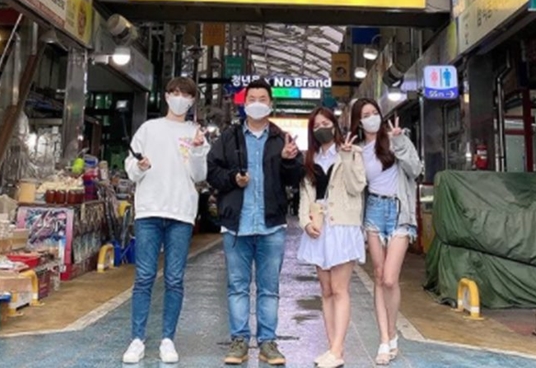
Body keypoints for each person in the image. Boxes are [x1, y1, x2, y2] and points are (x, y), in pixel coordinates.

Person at [207, 79, 304, 366]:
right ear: (244, 103)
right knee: (237, 286)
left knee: (269, 288)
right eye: (252, 98)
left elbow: (294, 179)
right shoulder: (229, 137)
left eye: (263, 98)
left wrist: (289, 161)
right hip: (236, 225)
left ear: (270, 104)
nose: (258, 103)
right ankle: (239, 340)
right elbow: (212, 172)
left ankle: (268, 342)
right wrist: (232, 179)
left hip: (271, 225)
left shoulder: (281, 139)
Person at [122, 77, 208, 365]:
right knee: (144, 277)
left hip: (181, 213)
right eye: (175, 92)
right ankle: (137, 339)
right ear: (167, 95)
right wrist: (140, 166)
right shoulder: (149, 128)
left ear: (192, 101)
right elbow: (131, 167)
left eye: (186, 94)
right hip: (149, 210)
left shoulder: (196, 133)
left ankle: (168, 339)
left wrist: (198, 149)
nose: (180, 98)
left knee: (174, 279)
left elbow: (199, 175)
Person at [350, 98, 421, 366]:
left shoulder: (396, 139)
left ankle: (392, 333)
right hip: (374, 212)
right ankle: (385, 338)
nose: (371, 117)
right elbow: (355, 185)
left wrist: (400, 141)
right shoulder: (357, 150)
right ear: (358, 121)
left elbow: (416, 169)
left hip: (399, 210)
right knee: (379, 277)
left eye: (374, 113)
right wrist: (346, 157)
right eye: (365, 114)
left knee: (391, 279)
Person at [297, 108, 366, 368]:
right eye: (316, 126)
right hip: (319, 226)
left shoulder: (352, 152)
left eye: (326, 123)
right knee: (325, 291)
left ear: (335, 126)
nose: (322, 128)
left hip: (343, 226)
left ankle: (337, 351)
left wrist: (346, 157)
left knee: (339, 289)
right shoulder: (310, 158)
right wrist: (305, 222)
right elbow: (305, 194)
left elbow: (357, 187)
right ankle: (332, 349)